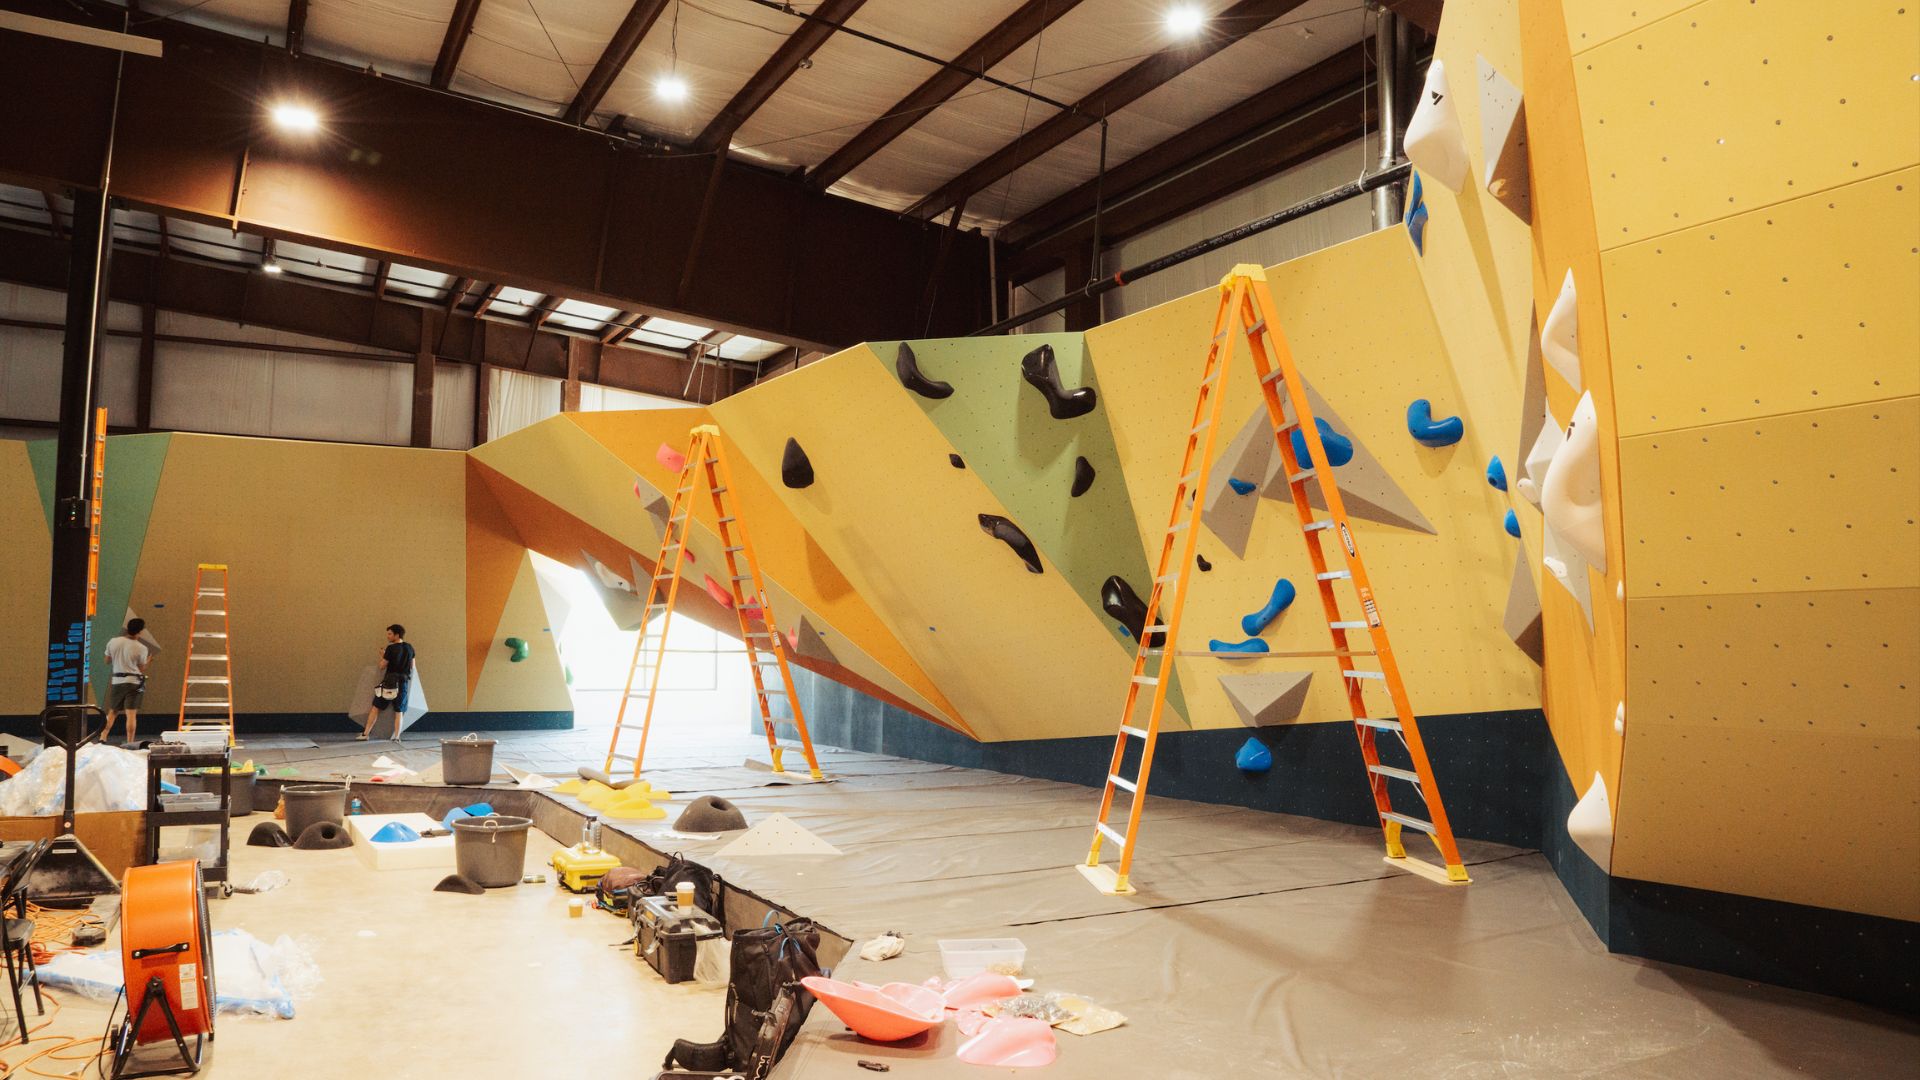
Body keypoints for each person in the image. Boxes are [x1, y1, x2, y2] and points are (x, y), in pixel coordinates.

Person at [361, 624, 415, 741]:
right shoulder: (410, 647)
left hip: (389, 682)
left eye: (390, 634)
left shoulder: (391, 648)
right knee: (399, 710)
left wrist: (382, 655)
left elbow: (382, 666)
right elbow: (412, 666)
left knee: (376, 707)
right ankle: (397, 737)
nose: (388, 636)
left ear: (397, 634)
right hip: (403, 682)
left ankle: (365, 734)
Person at [104, 618, 152, 744]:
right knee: (131, 715)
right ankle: (130, 742)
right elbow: (141, 669)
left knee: (112, 711)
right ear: (140, 631)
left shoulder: (113, 642)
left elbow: (107, 660)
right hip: (134, 682)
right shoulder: (141, 648)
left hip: (117, 680)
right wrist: (148, 662)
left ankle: (103, 737)